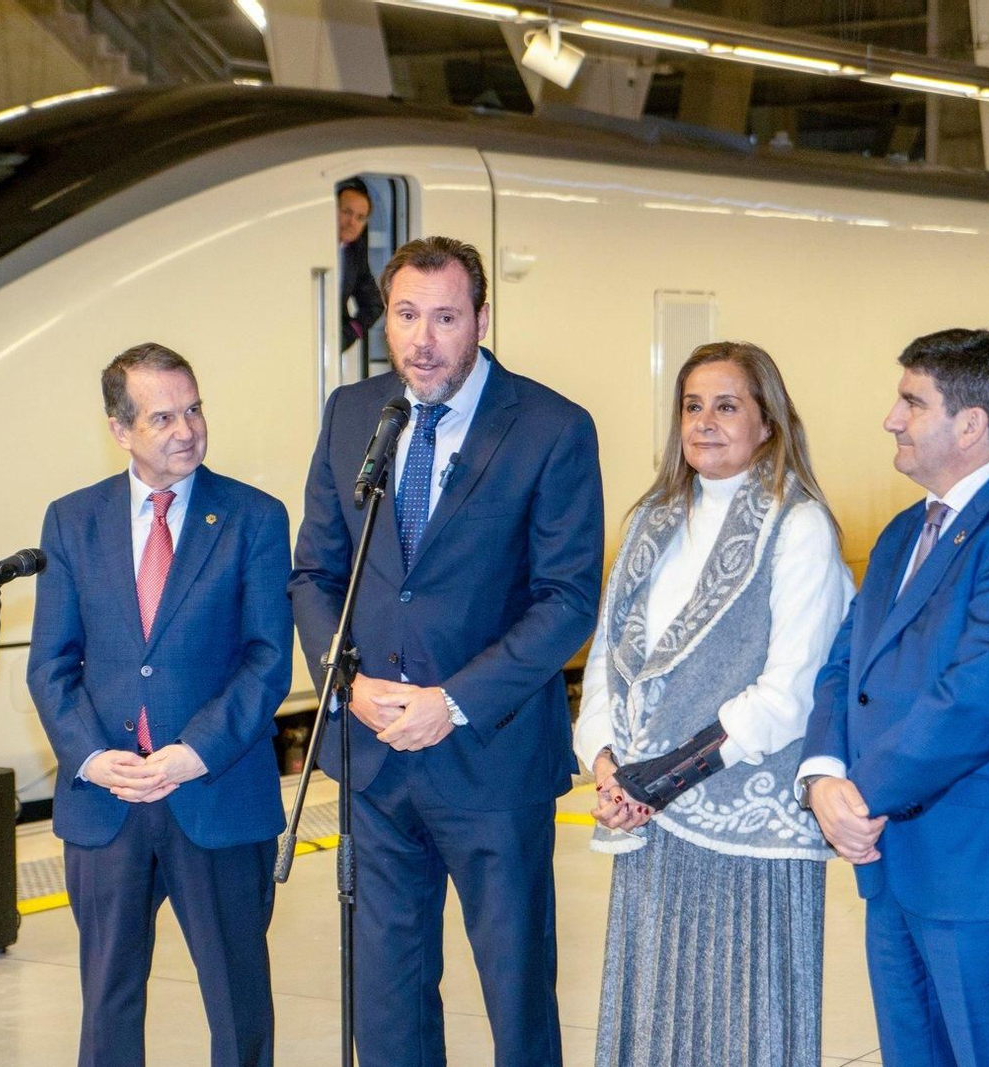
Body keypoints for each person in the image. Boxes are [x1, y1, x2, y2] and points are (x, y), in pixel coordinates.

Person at [289, 235, 603, 1067]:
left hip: (493, 761)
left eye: (445, 318)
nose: (422, 340)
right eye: (406, 315)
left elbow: (567, 599)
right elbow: (316, 572)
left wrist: (452, 701)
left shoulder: (552, 427)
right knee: (387, 997)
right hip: (374, 759)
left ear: (482, 319)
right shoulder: (353, 414)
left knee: (516, 994)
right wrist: (345, 683)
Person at [799, 328, 989, 1067]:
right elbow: (845, 666)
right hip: (894, 866)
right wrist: (821, 774)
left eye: (912, 402)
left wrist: (858, 795)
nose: (891, 419)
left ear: (970, 424)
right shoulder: (904, 531)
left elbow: (975, 701)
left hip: (984, 878)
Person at [573, 341, 852, 1066]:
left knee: (738, 1029)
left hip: (743, 829)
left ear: (768, 422)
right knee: (657, 1023)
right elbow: (608, 659)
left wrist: (659, 779)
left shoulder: (798, 526)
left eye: (727, 406)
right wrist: (606, 765)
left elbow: (792, 692)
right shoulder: (651, 521)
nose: (704, 421)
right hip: (650, 820)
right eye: (692, 406)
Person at [28, 342, 290, 1067]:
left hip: (215, 790)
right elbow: (51, 664)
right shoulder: (72, 521)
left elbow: (267, 659)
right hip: (107, 802)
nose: (187, 429)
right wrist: (92, 757)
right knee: (107, 1004)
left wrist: (193, 752)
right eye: (163, 417)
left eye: (194, 409)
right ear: (120, 430)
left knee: (238, 1004)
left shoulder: (254, 517)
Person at [338, 179, 383, 352]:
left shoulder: (354, 254)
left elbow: (374, 305)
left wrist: (350, 334)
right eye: (346, 212)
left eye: (360, 217)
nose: (352, 222)